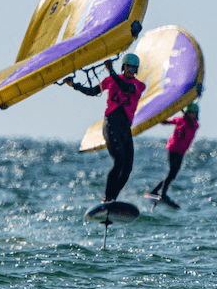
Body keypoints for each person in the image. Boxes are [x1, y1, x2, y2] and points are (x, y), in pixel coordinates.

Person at [65, 53, 146, 202]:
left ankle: (112, 199)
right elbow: (92, 91)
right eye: (129, 67)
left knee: (127, 168)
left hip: (125, 129)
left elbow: (126, 88)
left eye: (134, 68)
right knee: (119, 162)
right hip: (111, 125)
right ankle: (107, 198)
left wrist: (112, 71)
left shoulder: (139, 86)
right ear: (124, 66)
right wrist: (74, 85)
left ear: (136, 70)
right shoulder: (110, 81)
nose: (131, 70)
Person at [149, 102, 200, 209]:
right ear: (187, 113)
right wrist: (159, 118)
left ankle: (155, 191)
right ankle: (162, 194)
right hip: (173, 149)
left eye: (194, 113)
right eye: (190, 113)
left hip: (181, 152)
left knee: (173, 174)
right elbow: (167, 122)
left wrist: (187, 118)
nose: (192, 115)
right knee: (172, 171)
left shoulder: (195, 125)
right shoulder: (181, 120)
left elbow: (191, 125)